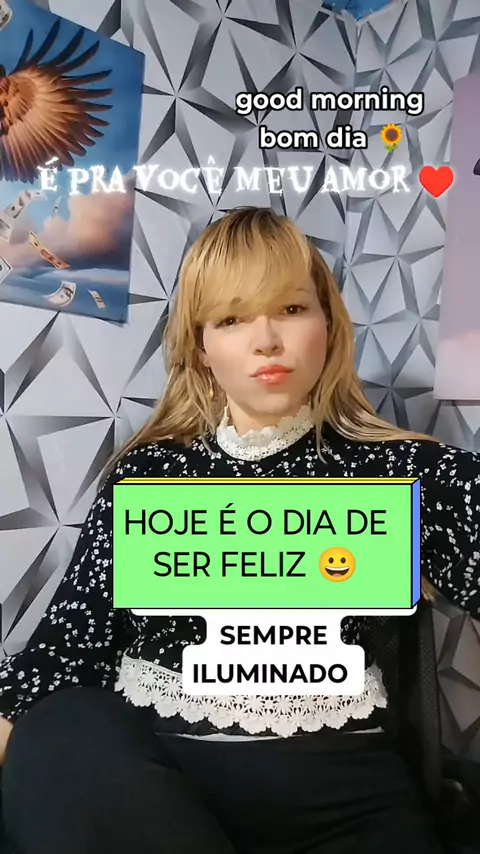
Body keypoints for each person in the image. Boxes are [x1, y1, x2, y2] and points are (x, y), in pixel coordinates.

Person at [0, 206, 478, 854]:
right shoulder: (149, 476)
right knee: (60, 726)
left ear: (329, 325)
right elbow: (59, 658)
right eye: (231, 319)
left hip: (342, 799)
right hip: (152, 792)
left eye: (291, 308)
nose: (266, 340)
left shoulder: (401, 474)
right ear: (201, 347)